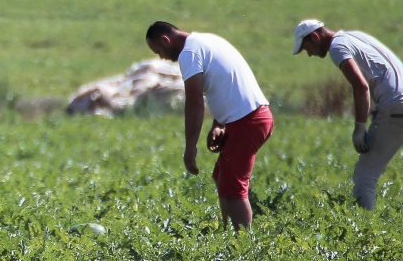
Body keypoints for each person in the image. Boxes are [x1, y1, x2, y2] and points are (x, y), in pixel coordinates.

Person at [145, 22, 274, 230]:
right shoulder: (207, 40)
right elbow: (227, 84)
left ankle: (244, 245)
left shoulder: (189, 53)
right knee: (222, 176)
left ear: (165, 40)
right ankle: (228, 233)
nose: (161, 57)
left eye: (158, 51)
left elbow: (194, 102)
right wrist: (218, 124)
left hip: (249, 121)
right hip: (249, 117)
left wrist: (190, 147)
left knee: (234, 188)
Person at [293, 19, 403, 210]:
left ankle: (366, 231)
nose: (309, 54)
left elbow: (360, 86)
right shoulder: (355, 36)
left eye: (306, 47)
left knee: (365, 175)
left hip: (394, 107)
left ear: (315, 36)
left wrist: (359, 128)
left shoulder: (337, 48)